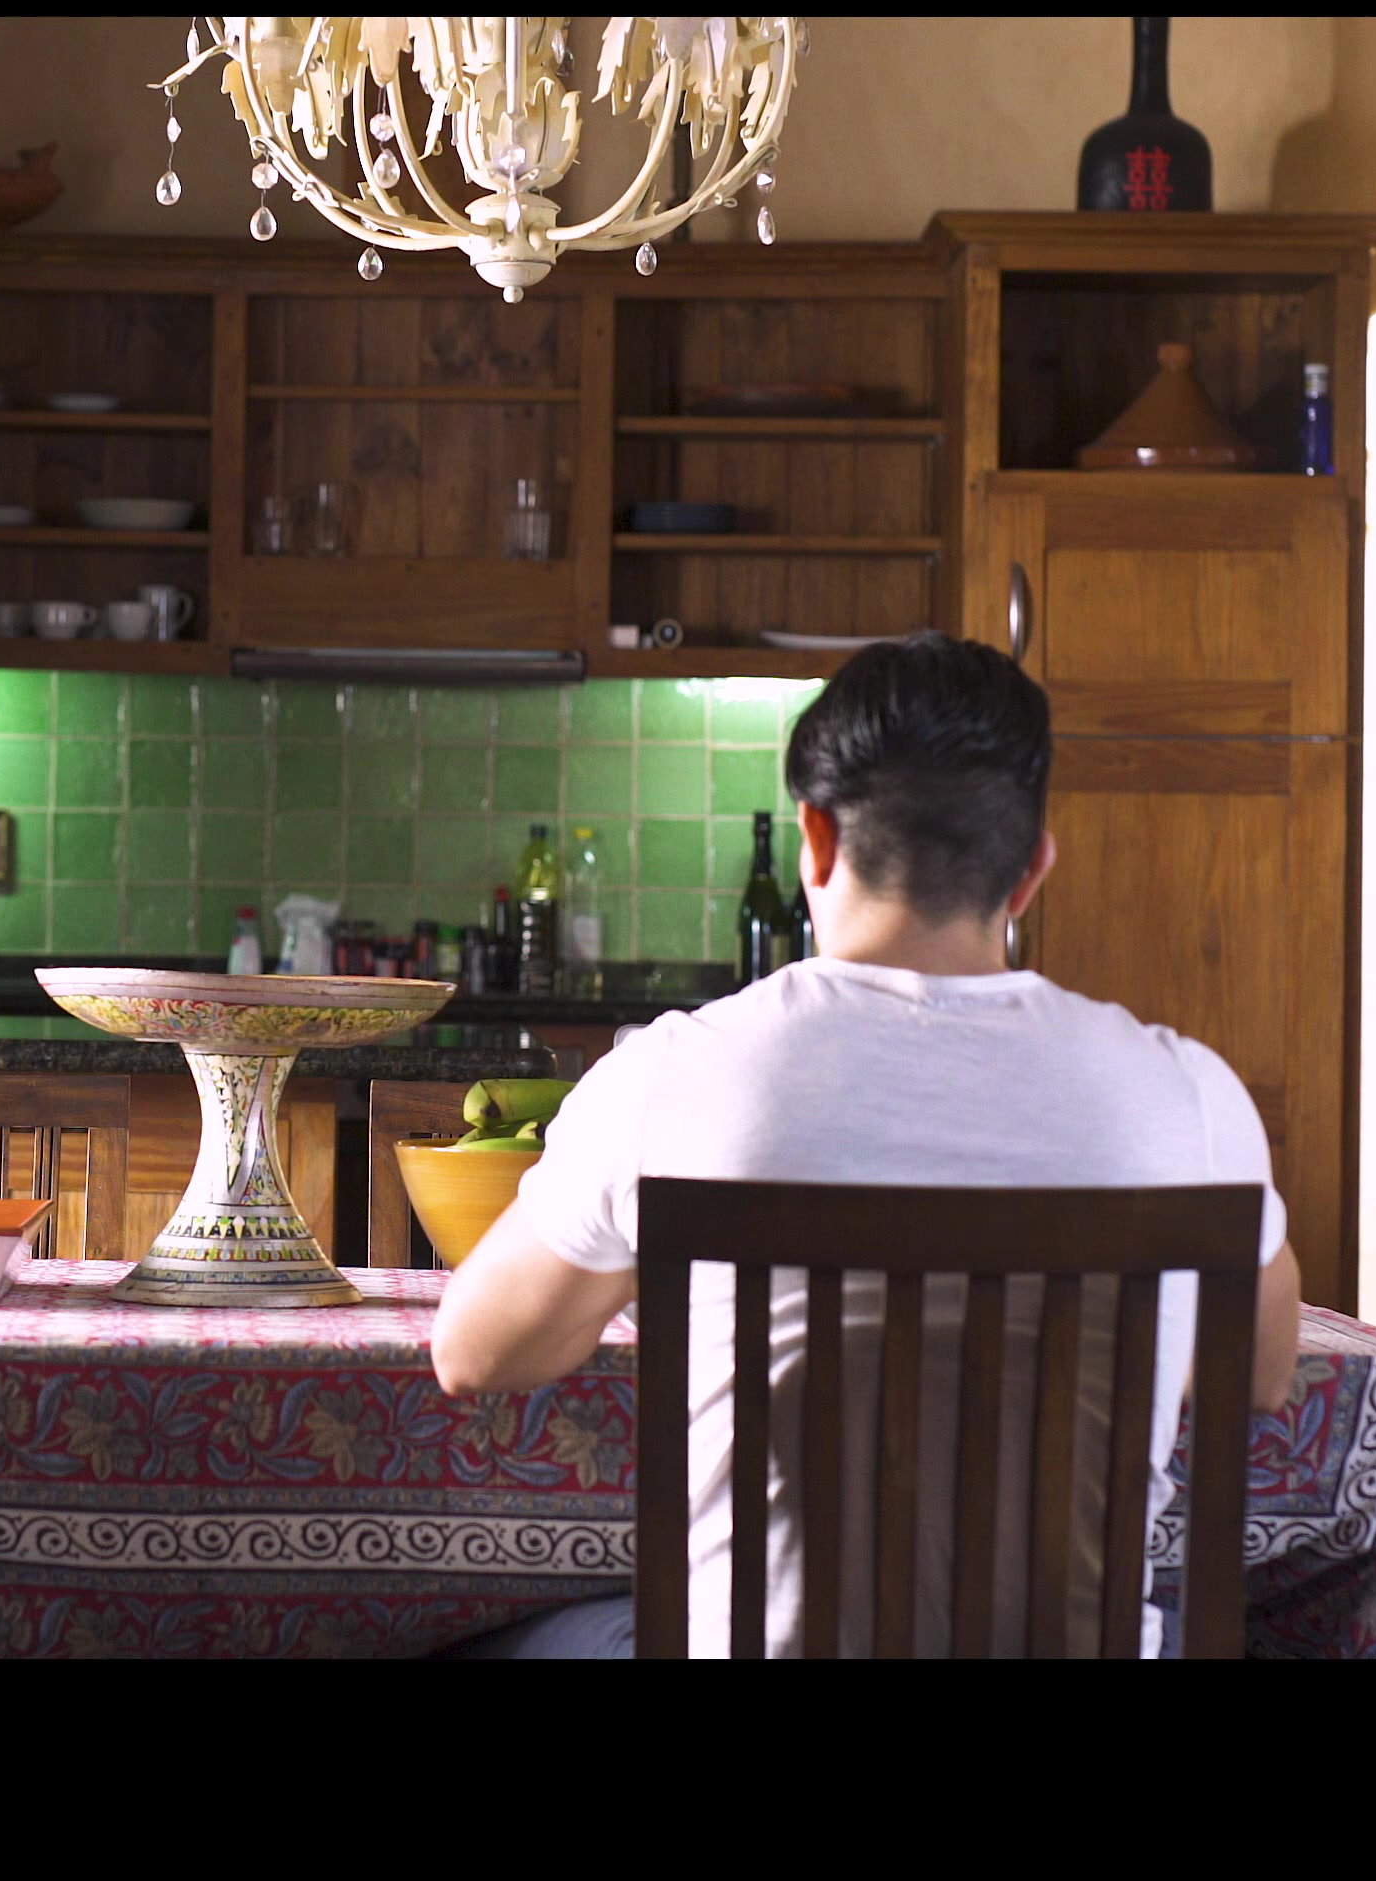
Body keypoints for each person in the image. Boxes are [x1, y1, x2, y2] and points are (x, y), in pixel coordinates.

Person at [432, 633, 1302, 1657]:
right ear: (1032, 869)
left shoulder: (675, 1077)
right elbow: (1259, 1372)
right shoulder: (1187, 1096)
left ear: (815, 839)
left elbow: (474, 1353)